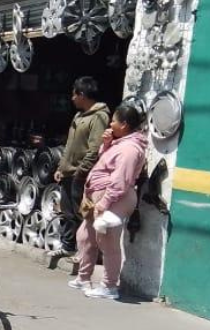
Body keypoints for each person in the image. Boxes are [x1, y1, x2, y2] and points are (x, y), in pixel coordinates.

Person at [68, 103, 148, 300]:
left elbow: (120, 181)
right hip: (98, 195)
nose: (110, 124)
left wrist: (104, 203)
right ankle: (83, 277)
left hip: (113, 199)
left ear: (124, 124)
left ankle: (109, 286)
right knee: (85, 236)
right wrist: (106, 144)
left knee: (108, 242)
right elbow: (105, 164)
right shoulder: (119, 144)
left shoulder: (129, 149)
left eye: (114, 121)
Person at [51, 77, 111, 258]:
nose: (72, 98)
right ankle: (68, 246)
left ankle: (86, 251)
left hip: (81, 175)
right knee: (67, 212)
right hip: (68, 173)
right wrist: (61, 168)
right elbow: (69, 145)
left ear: (82, 94)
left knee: (83, 214)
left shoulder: (99, 117)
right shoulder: (78, 116)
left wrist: (80, 172)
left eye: (74, 94)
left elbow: (95, 149)